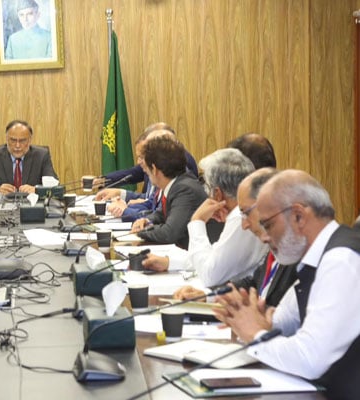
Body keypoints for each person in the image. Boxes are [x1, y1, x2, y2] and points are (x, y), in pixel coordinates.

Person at [214, 170, 360, 399]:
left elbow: (310, 358)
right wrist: (250, 319)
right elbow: (281, 321)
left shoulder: (341, 259)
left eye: (268, 225)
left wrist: (256, 334)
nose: (263, 237)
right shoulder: (313, 260)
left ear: (299, 216)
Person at [139, 149, 267, 286]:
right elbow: (214, 257)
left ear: (217, 193)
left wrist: (197, 221)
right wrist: (169, 262)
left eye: (206, 185)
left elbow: (209, 275)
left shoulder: (240, 217)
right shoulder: (240, 214)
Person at [173, 168, 298, 307]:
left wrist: (197, 221)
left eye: (246, 213)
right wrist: (208, 296)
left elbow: (210, 274)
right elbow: (252, 284)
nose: (243, 225)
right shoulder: (278, 245)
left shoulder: (300, 256)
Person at [129, 136, 207, 248]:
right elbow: (163, 213)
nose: (144, 170)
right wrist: (146, 220)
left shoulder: (185, 189)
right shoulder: (178, 183)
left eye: (146, 167)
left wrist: (143, 231)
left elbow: (169, 233)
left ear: (154, 169)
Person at [94, 122, 198, 195]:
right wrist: (103, 180)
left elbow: (157, 206)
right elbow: (133, 173)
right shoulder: (155, 160)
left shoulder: (181, 162)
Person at [0, 120, 58, 196]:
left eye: (22, 141)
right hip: (3, 207)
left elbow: (55, 187)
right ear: (6, 139)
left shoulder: (41, 155)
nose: (17, 146)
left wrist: (36, 190)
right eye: (13, 140)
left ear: (29, 141)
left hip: (32, 207)